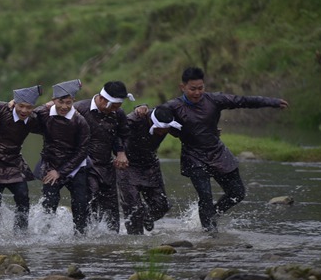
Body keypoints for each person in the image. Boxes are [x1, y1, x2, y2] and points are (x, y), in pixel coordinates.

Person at [165, 66, 289, 232]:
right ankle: (210, 235)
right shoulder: (174, 106)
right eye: (192, 89)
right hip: (193, 156)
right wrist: (141, 107)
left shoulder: (214, 99)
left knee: (237, 193)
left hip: (217, 152)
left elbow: (243, 101)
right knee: (205, 197)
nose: (197, 93)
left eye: (200, 88)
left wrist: (272, 102)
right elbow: (153, 115)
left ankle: (213, 214)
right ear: (183, 87)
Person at [0, 85, 44, 234]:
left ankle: (20, 235)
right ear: (14, 103)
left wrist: (50, 104)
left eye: (29, 108)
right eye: (21, 106)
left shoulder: (33, 119)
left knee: (23, 197)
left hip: (14, 162)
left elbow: (50, 121)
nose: (24, 111)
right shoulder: (0, 108)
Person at [32, 79, 90, 234]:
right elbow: (30, 116)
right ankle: (44, 234)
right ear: (53, 101)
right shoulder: (45, 114)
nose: (64, 107)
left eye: (68, 103)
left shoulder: (80, 121)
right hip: (50, 164)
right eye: (61, 102)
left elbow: (82, 151)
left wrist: (61, 172)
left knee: (80, 203)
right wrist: (44, 106)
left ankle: (80, 237)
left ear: (73, 102)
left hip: (76, 166)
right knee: (49, 202)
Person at [75, 81, 133, 233]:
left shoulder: (118, 114)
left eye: (118, 107)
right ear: (101, 98)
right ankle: (84, 240)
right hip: (84, 165)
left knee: (111, 207)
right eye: (113, 106)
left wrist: (121, 152)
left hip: (106, 165)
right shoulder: (79, 109)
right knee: (90, 200)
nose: (115, 110)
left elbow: (124, 134)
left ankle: (111, 244)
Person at [117, 105, 181, 235]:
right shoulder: (135, 119)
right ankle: (136, 243)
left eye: (165, 129)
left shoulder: (169, 121)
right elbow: (117, 133)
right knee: (134, 209)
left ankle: (147, 217)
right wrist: (119, 153)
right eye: (160, 129)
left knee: (162, 205)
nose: (162, 132)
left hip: (150, 165)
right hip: (127, 165)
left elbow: (188, 130)